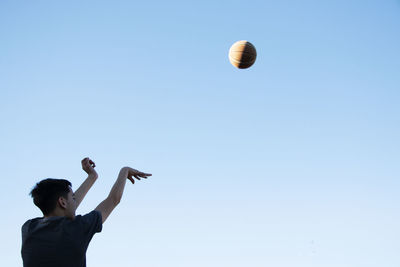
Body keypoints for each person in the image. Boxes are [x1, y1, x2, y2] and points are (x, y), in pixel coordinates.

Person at [21, 157, 151, 267]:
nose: (75, 200)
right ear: (62, 202)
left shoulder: (28, 228)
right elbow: (113, 200)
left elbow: (67, 208)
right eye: (73, 197)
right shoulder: (77, 228)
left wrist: (92, 177)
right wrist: (124, 170)